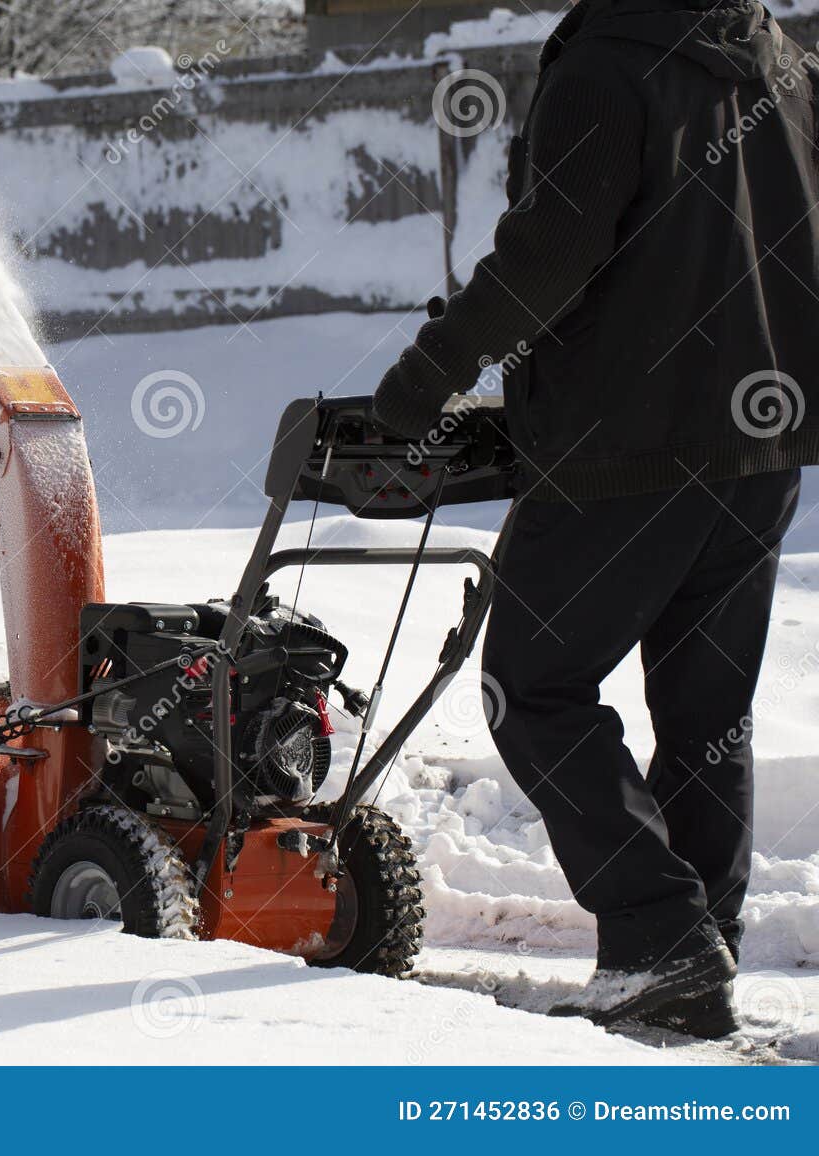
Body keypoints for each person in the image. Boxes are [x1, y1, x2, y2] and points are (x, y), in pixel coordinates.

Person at [372, 0, 819, 1037]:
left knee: (530, 683)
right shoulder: (782, 66)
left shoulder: (610, 66)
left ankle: (661, 940)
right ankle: (696, 945)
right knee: (707, 713)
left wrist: (422, 380)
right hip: (763, 444)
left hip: (626, 445)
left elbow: (549, 251)